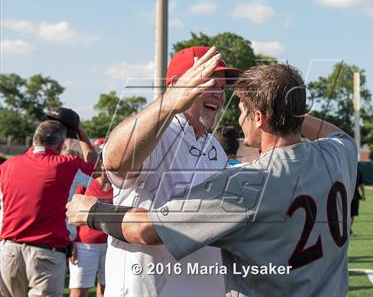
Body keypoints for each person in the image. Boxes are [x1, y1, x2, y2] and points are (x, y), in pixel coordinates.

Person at [67, 61, 358, 296]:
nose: (238, 118)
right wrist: (284, 103)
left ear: (259, 117)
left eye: (243, 110)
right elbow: (336, 133)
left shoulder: (250, 183)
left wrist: (91, 211)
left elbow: (147, 230)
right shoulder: (338, 153)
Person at [71, 46, 239, 296]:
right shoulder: (158, 131)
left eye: (222, 88)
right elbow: (115, 160)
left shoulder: (214, 147)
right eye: (208, 83)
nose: (218, 94)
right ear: (176, 85)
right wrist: (170, 102)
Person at [0, 119, 96, 297]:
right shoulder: (68, 164)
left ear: (35, 138)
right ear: (62, 144)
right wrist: (82, 136)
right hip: (46, 254)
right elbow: (98, 172)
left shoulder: (6, 166)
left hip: (8, 252)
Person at [68, 138, 113, 297]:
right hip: (84, 246)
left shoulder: (119, 186)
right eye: (100, 156)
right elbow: (70, 213)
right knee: (79, 291)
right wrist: (71, 241)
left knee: (108, 291)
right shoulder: (84, 182)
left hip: (111, 244)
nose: (102, 162)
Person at [350, 166, 365, 236]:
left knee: (349, 215)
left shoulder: (343, 169)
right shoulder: (357, 170)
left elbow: (361, 184)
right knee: (351, 215)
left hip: (347, 196)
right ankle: (348, 230)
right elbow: (361, 184)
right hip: (353, 196)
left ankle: (347, 230)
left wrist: (363, 194)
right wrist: (363, 194)